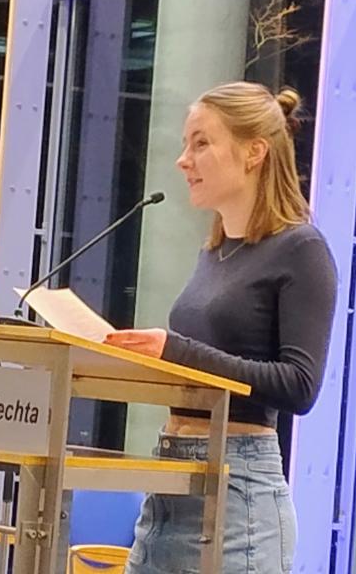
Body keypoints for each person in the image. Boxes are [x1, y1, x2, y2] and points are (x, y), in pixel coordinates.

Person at [104, 81, 337, 574]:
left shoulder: (302, 249)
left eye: (201, 143)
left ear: (255, 152)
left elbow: (299, 385)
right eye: (185, 145)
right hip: (170, 484)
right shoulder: (213, 253)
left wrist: (176, 350)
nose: (182, 161)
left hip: (238, 496)